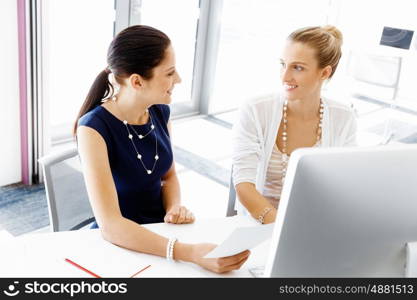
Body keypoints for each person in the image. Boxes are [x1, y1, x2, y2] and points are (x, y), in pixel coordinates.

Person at [75, 25, 249, 273]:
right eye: (170, 73)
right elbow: (111, 225)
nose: (178, 79)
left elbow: (168, 176)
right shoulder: (93, 129)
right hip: (122, 242)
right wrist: (188, 252)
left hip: (162, 233)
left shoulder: (159, 111)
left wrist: (173, 206)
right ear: (137, 81)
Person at [232, 25, 357, 224]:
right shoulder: (256, 109)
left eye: (297, 67)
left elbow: (343, 185)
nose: (284, 76)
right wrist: (280, 227)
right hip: (261, 223)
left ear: (324, 73)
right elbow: (243, 184)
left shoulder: (344, 117)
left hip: (315, 223)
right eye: (283, 64)